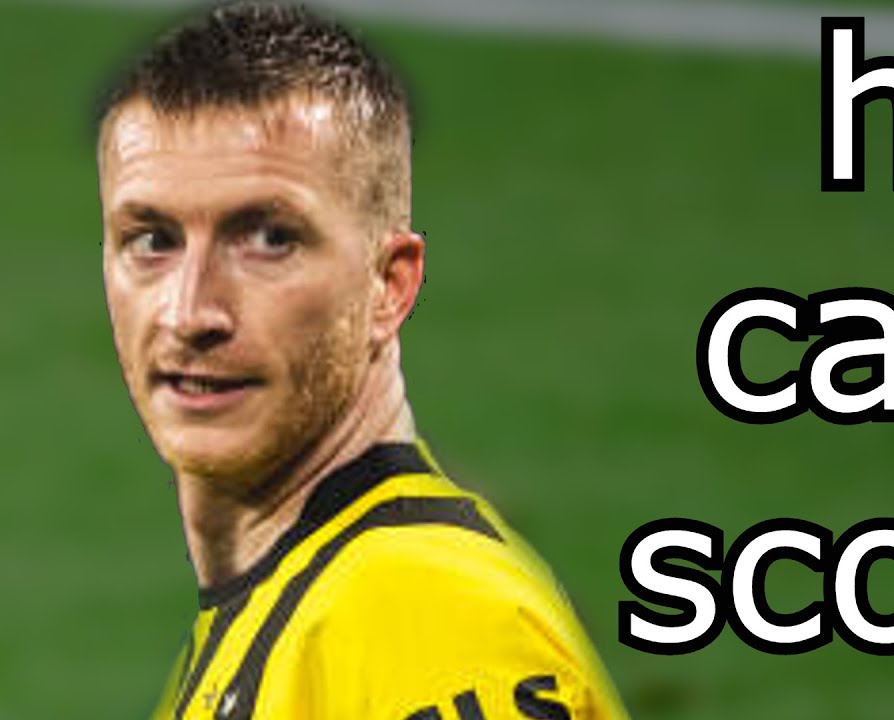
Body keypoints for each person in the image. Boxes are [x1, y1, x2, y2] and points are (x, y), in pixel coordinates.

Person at [96, 3, 627, 718]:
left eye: (269, 239)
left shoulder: (427, 619)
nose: (191, 313)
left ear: (389, 285)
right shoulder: (299, 605)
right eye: (152, 239)